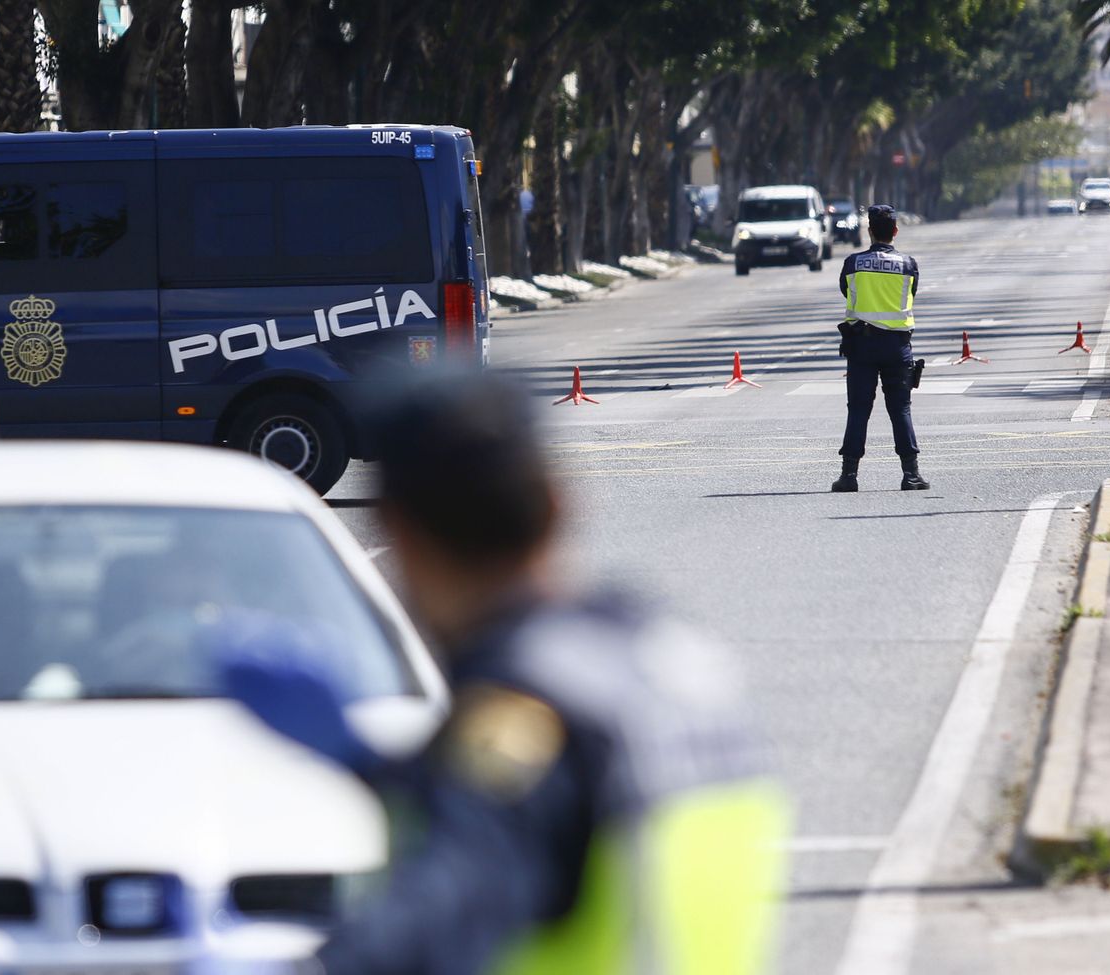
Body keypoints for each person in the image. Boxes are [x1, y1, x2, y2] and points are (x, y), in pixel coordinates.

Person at [216, 374, 788, 975]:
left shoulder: (523, 708)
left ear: (399, 535)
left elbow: (452, 890)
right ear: (557, 503)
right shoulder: (666, 654)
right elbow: (560, 823)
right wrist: (377, 769)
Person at [833, 204, 928, 492]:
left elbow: (845, 291)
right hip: (897, 346)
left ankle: (849, 475)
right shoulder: (908, 265)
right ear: (895, 231)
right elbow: (911, 293)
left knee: (858, 410)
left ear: (869, 231)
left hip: (861, 345)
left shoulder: (853, 263)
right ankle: (910, 474)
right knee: (900, 409)